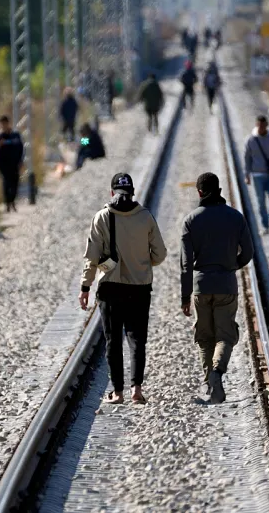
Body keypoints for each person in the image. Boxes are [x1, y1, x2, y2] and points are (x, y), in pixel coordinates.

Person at [80, 173, 167, 404]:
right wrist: (142, 263)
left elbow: (91, 257)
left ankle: (117, 392)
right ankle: (136, 390)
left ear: (112, 193)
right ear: (133, 193)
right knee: (137, 339)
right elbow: (161, 254)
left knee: (113, 340)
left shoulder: (101, 217)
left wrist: (85, 286)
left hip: (110, 289)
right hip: (139, 288)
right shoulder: (146, 217)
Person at [180, 173, 253, 404]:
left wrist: (185, 295)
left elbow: (185, 263)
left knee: (204, 338)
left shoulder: (191, 220)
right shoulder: (235, 217)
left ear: (199, 192)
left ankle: (210, 387)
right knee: (225, 336)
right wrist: (232, 266)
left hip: (201, 287)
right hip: (226, 285)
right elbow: (248, 253)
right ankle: (217, 374)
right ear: (219, 189)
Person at [0, 115, 24, 212]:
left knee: (15, 182)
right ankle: (7, 203)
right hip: (3, 163)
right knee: (6, 182)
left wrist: (21, 160)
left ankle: (12, 201)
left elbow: (21, 147)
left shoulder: (15, 134)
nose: (3, 126)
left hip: (14, 162)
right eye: (1, 124)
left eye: (4, 123)